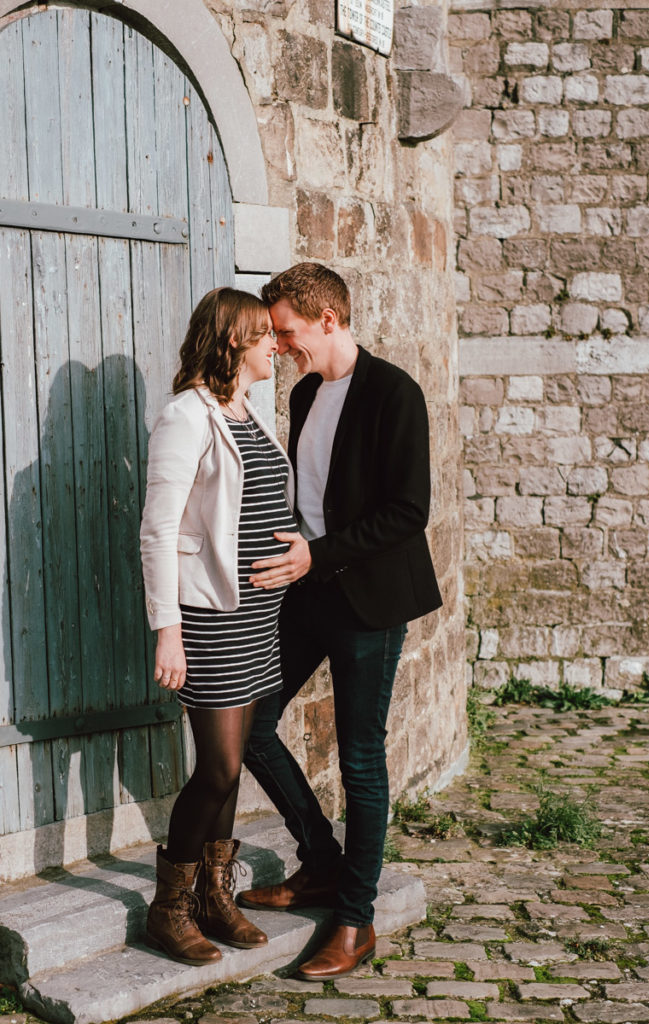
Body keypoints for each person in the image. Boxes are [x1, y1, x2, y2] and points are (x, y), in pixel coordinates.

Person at [239, 262, 442, 980]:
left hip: (371, 601)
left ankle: (355, 920)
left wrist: (316, 554)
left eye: (287, 331)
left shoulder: (393, 391)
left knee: (360, 759)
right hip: (308, 595)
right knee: (250, 726)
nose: (281, 344)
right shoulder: (304, 392)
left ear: (328, 319)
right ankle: (320, 864)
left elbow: (408, 511)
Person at [139, 287, 298, 966]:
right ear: (233, 340)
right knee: (220, 765)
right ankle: (167, 906)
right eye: (265, 335)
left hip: (259, 613)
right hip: (208, 615)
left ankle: (214, 894)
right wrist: (166, 629)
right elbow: (158, 531)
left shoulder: (247, 411)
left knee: (229, 772)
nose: (277, 345)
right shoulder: (186, 416)